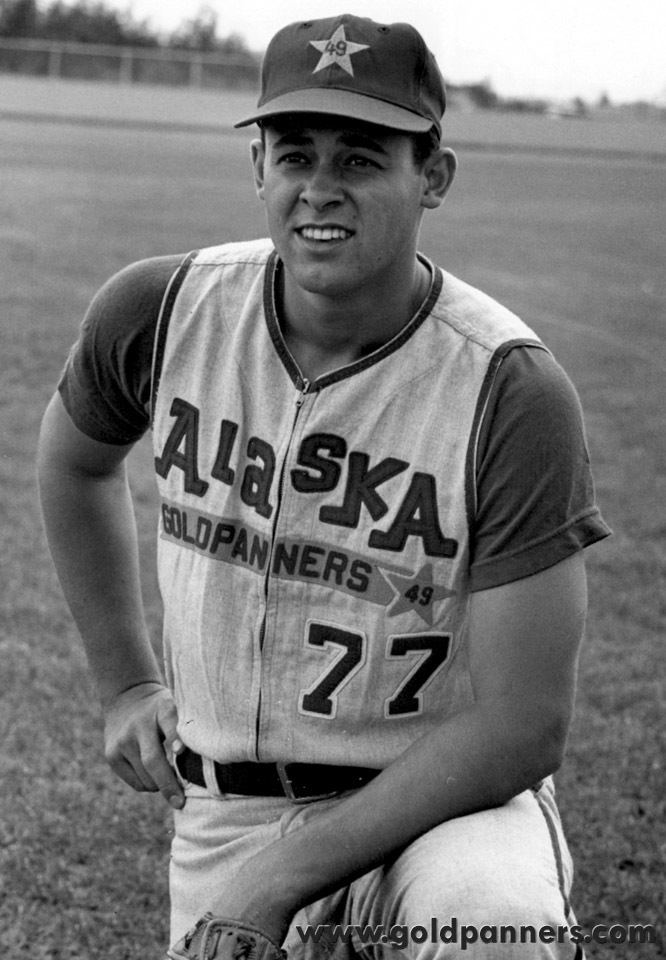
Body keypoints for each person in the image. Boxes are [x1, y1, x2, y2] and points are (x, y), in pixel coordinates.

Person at [37, 13, 611, 959]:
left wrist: (281, 880)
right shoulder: (164, 309)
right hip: (227, 813)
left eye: (360, 159)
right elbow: (73, 459)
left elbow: (522, 724)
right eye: (294, 154)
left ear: (433, 176)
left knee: (487, 924)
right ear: (256, 168)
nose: (319, 190)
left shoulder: (507, 385)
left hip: (443, 811)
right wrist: (125, 684)